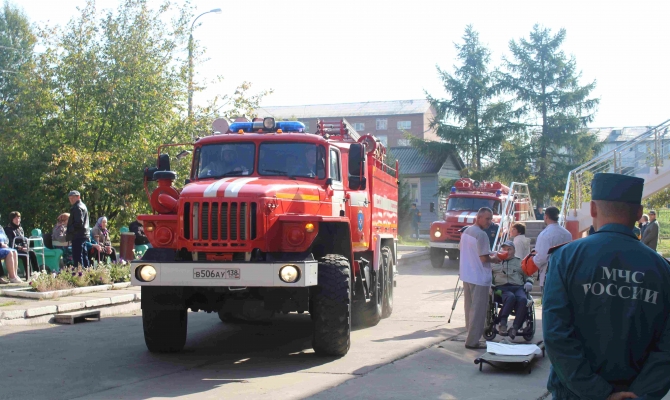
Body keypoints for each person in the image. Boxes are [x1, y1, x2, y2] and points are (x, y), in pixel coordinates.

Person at [543, 173, 670, 400]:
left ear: (592, 209)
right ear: (639, 213)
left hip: (575, 394)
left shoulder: (566, 258)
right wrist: (640, 393)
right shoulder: (663, 269)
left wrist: (598, 393)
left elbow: (556, 335)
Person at [460, 207, 500, 349]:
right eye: (487, 218)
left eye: (491, 218)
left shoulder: (466, 231)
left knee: (469, 308)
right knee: (478, 310)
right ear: (479, 217)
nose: (490, 221)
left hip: (467, 274)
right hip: (479, 276)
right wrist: (496, 258)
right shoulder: (481, 234)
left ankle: (470, 335)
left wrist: (490, 254)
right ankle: (472, 341)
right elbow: (484, 258)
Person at [492, 240, 533, 339]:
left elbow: (528, 275)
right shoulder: (494, 261)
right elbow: (488, 275)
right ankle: (503, 323)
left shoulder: (520, 262)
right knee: (510, 297)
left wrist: (529, 282)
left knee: (523, 299)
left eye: (509, 249)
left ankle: (515, 327)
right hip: (500, 288)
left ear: (514, 250)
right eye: (504, 249)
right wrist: (490, 284)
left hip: (518, 287)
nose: (507, 251)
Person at [533, 206, 572, 293]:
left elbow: (541, 257)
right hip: (565, 274)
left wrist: (533, 260)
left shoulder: (544, 234)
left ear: (546, 216)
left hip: (548, 275)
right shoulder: (567, 233)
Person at [66, 190, 90, 269]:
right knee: (84, 255)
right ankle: (88, 273)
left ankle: (79, 274)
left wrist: (70, 229)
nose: (71, 200)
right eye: (70, 198)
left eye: (73, 198)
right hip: (83, 234)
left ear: (78, 197)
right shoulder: (83, 206)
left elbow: (79, 223)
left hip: (77, 235)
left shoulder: (77, 207)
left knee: (78, 257)